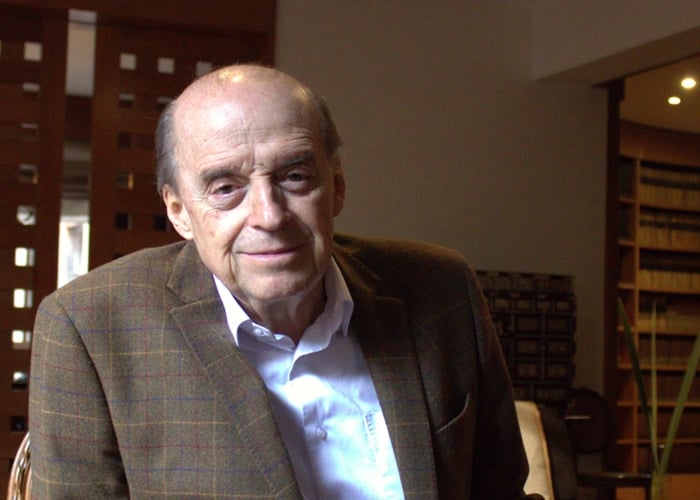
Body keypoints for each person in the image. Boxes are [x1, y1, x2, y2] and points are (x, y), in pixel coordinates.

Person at [29, 64, 539, 499]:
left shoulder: (442, 289)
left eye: (294, 177)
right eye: (226, 188)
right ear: (179, 211)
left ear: (336, 187)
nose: (269, 216)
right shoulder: (89, 327)